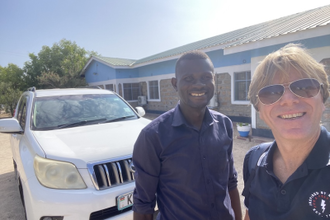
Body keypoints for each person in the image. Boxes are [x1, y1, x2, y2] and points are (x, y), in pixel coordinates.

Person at [132, 50, 242, 220]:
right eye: (188, 79)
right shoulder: (153, 136)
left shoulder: (225, 125)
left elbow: (230, 183)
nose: (198, 85)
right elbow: (143, 204)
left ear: (214, 79)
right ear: (175, 84)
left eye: (206, 77)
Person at [242, 43, 330, 220]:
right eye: (271, 92)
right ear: (259, 109)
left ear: (323, 98)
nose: (289, 100)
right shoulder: (254, 160)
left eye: (305, 86)